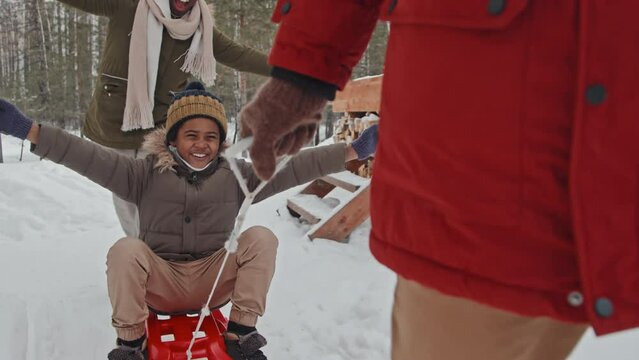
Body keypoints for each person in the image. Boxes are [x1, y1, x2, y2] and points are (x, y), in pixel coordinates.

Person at [238, 1, 639, 359]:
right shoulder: (191, 177)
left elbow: (290, 171)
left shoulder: (224, 176)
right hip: (487, 183)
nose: (201, 148)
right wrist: (301, 74)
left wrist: (353, 150)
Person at [0, 81, 378, 360]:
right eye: (191, 135)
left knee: (261, 237)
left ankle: (242, 337)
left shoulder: (237, 175)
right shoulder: (141, 174)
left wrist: (353, 149)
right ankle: (131, 345)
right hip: (160, 280)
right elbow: (83, 154)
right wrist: (30, 130)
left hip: (214, 280)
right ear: (172, 139)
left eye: (211, 136)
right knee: (125, 250)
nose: (202, 144)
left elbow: (295, 165)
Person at [57, 0, 271, 238]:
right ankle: (141, 254)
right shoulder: (129, 5)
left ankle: (163, 252)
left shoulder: (199, 26)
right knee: (127, 198)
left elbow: (238, 55)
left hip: (160, 128)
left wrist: (286, 69)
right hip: (116, 123)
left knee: (162, 195)